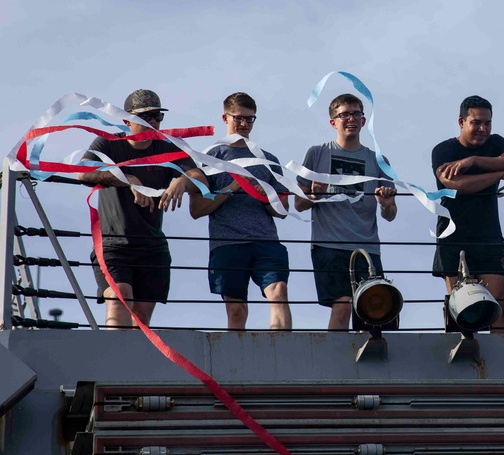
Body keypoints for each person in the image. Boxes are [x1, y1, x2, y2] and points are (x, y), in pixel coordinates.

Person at [77, 89, 205, 328]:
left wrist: (181, 180)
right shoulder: (109, 143)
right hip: (114, 244)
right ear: (127, 121)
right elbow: (82, 172)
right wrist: (128, 178)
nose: (154, 122)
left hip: (152, 245)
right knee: (120, 298)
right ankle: (116, 360)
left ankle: (133, 362)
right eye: (146, 117)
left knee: (142, 316)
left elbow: (201, 179)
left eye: (158, 116)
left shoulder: (167, 148)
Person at [295, 93, 397, 331]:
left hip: (368, 248)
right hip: (329, 246)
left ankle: (369, 365)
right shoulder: (317, 154)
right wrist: (314, 195)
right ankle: (333, 363)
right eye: (344, 115)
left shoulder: (379, 161)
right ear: (333, 122)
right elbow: (299, 205)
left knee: (374, 314)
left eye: (356, 114)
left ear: (363, 120)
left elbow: (390, 215)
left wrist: (386, 203)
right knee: (342, 305)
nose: (350, 119)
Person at [189, 93, 291, 331]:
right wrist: (232, 188)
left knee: (279, 293)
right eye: (239, 118)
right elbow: (196, 210)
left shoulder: (268, 160)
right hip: (228, 243)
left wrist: (267, 197)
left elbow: (283, 211)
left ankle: (283, 353)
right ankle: (236, 365)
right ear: (225, 117)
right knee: (236, 311)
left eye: (250, 119)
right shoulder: (210, 158)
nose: (245, 124)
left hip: (265, 241)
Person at [432, 95, 504, 333]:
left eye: (488, 123)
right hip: (453, 237)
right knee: (463, 308)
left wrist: (472, 160)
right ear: (461, 122)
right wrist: (499, 173)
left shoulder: (495, 143)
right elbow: (456, 186)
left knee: (500, 304)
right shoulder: (443, 150)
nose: (483, 129)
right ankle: (462, 364)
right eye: (476, 122)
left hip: (489, 237)